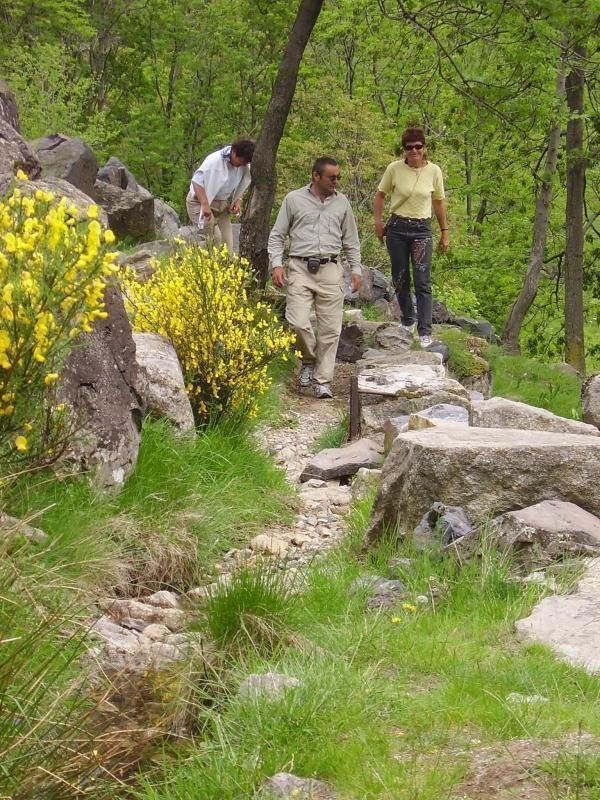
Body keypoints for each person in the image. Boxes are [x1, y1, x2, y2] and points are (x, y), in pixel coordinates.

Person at [268, 157, 362, 399]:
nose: (336, 181)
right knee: (297, 322)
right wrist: (276, 264)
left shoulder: (342, 202)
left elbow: (351, 240)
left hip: (330, 268)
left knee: (330, 329)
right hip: (299, 267)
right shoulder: (293, 199)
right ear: (316, 176)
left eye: (338, 177)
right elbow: (277, 235)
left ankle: (323, 381)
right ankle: (308, 359)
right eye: (332, 177)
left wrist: (356, 270)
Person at [374, 127, 449, 348]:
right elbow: (380, 195)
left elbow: (438, 202)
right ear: (404, 150)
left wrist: (444, 232)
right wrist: (378, 223)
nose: (414, 151)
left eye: (418, 146)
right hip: (397, 227)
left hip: (421, 230)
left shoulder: (434, 171)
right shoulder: (394, 169)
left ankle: (425, 331)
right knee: (400, 277)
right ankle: (407, 319)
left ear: (424, 147)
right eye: (409, 147)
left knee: (422, 280)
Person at [186, 137, 255, 252]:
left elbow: (242, 182)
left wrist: (238, 200)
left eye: (245, 163)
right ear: (234, 152)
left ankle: (225, 263)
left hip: (221, 205)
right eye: (241, 161)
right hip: (199, 202)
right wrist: (205, 205)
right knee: (213, 240)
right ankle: (200, 262)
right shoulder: (214, 161)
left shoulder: (244, 164)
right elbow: (196, 181)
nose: (241, 165)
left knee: (227, 243)